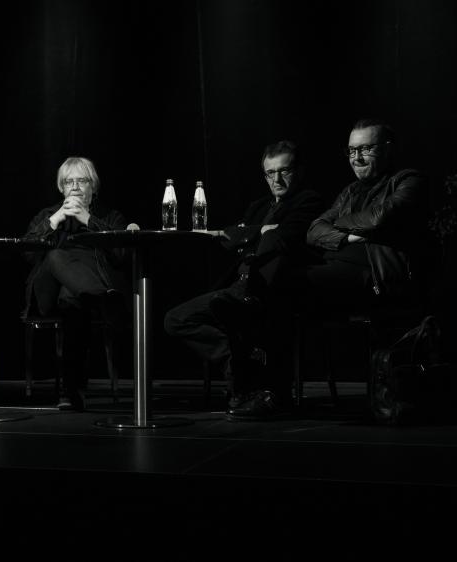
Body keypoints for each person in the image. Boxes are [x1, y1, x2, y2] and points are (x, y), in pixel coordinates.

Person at [164, 140, 323, 420]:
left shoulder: (308, 201)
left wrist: (251, 234)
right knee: (176, 319)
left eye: (284, 171)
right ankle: (237, 362)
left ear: (298, 171)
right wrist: (260, 230)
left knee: (250, 314)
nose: (277, 179)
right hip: (238, 286)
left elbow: (285, 236)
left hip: (272, 287)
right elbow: (230, 238)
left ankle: (249, 381)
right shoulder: (259, 206)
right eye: (270, 173)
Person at [302, 117, 429, 350]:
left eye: (365, 149)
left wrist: (337, 223)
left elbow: (378, 218)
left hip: (379, 278)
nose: (356, 158)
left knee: (294, 283)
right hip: (339, 269)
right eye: (352, 150)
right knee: (282, 276)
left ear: (388, 149)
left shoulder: (408, 181)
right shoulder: (350, 192)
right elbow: (313, 230)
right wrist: (348, 237)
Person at [22, 156, 128, 411]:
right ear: (61, 188)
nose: (76, 187)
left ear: (94, 186)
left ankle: (70, 392)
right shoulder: (47, 214)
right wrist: (55, 219)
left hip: (80, 298)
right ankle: (101, 297)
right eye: (69, 182)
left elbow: (121, 255)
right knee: (56, 256)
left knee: (71, 298)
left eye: (82, 181)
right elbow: (27, 253)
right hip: (46, 293)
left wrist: (88, 219)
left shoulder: (110, 217)